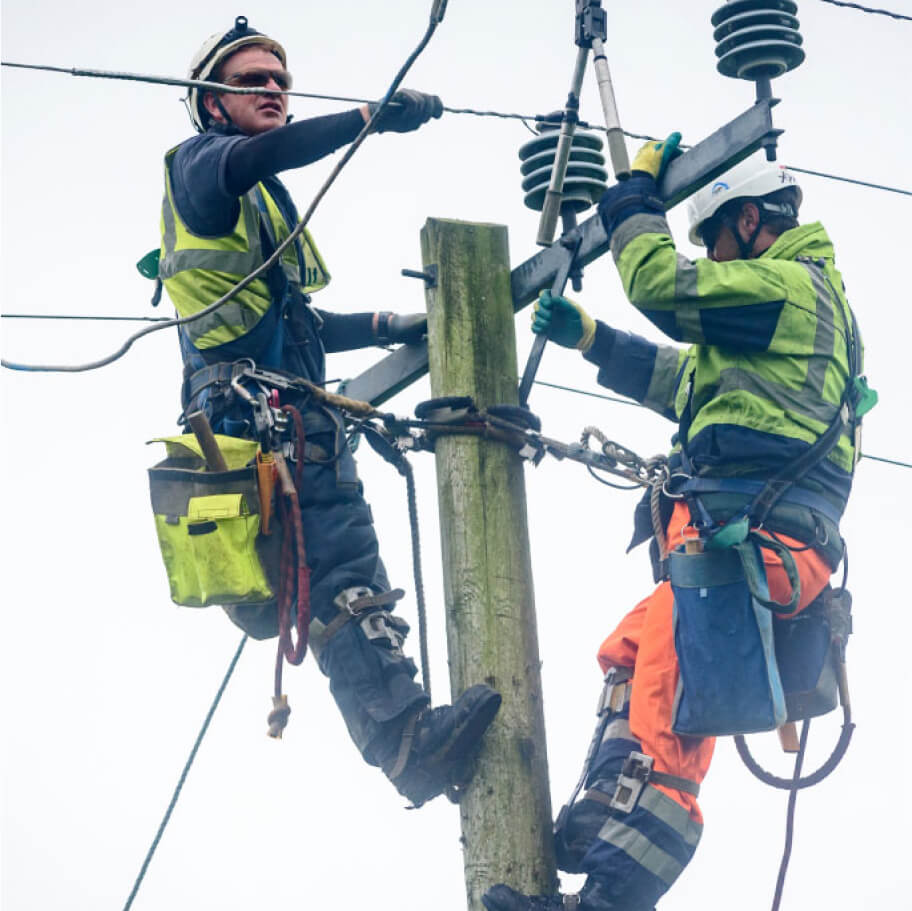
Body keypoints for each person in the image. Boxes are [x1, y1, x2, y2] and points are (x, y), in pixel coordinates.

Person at [483, 140, 870, 909]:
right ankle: (605, 812)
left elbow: (662, 284)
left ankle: (611, 894)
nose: (713, 260)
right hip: (737, 546)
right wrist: (593, 339)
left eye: (714, 242)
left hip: (764, 544)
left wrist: (633, 199)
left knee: (664, 702)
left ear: (748, 220)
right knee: (631, 652)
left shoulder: (789, 287)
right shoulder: (778, 310)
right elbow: (690, 382)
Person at [158, 15, 500, 808]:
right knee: (342, 569)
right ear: (211, 103)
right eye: (251, 81)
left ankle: (406, 739)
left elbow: (298, 322)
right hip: (263, 426)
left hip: (279, 420)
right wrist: (367, 118)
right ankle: (405, 738)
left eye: (281, 80)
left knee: (346, 576)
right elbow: (261, 154)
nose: (273, 90)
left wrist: (389, 325)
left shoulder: (254, 206)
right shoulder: (203, 169)